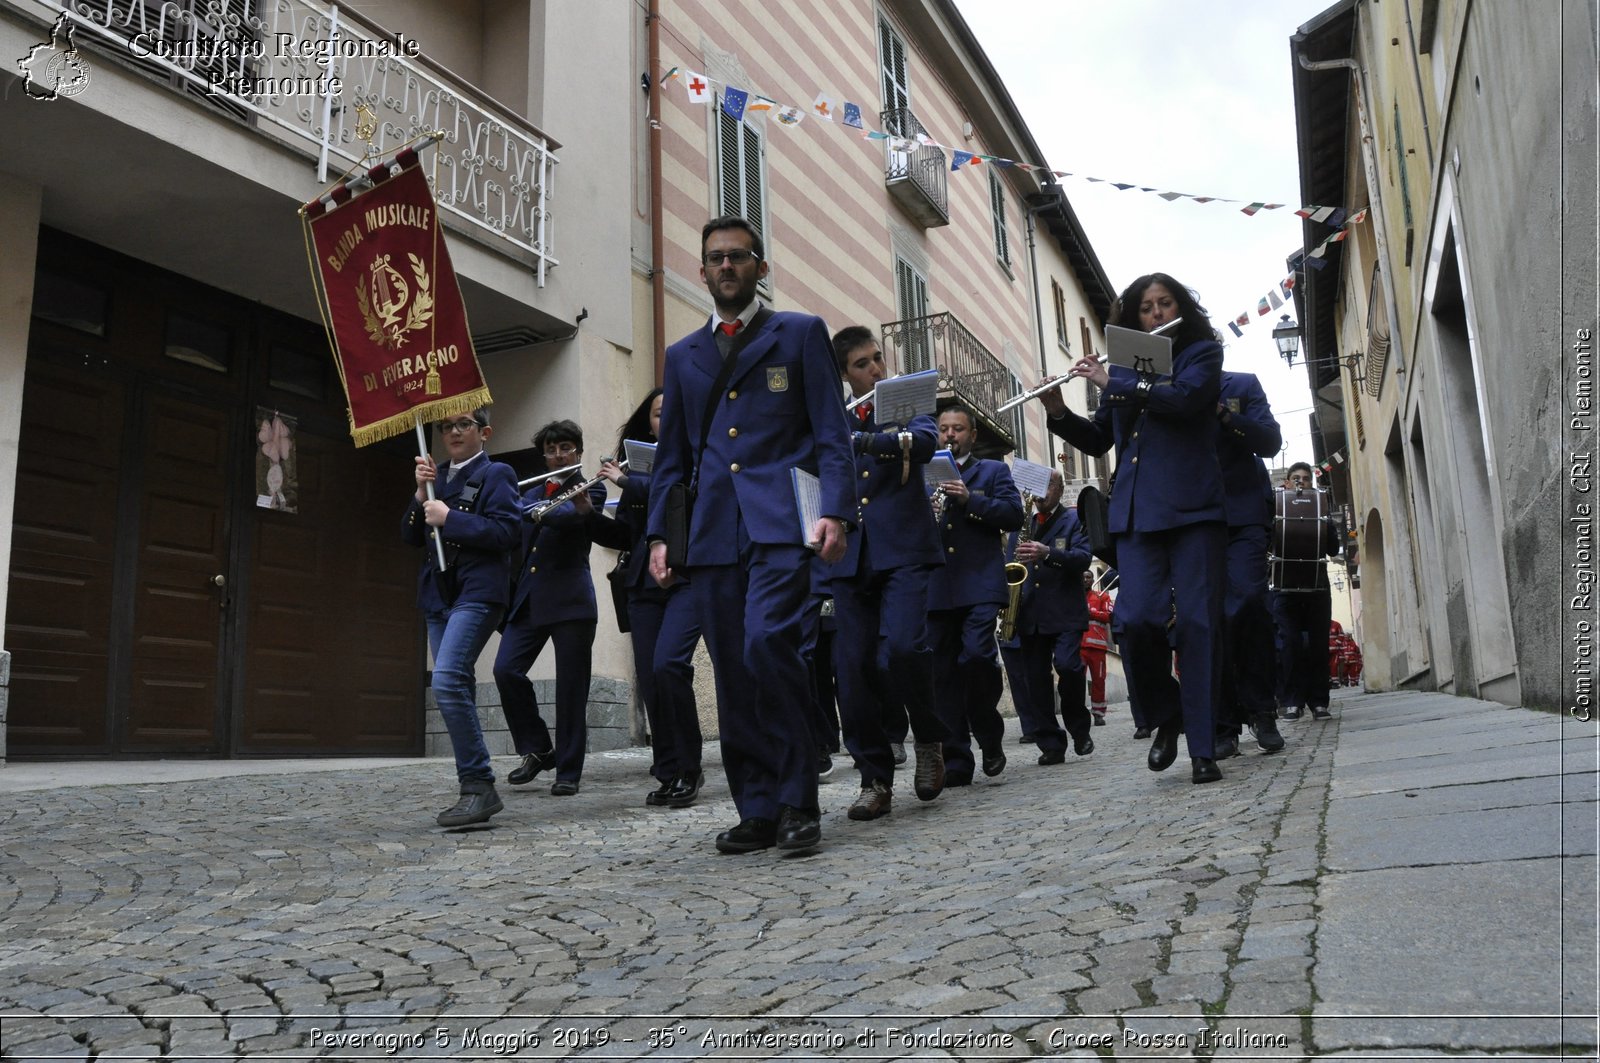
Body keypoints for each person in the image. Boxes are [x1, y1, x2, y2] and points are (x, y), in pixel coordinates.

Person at [647, 216, 855, 854]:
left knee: (769, 645)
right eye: (716, 258)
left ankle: (798, 798)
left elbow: (830, 432)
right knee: (734, 674)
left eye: (739, 256)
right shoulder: (683, 356)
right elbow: (673, 456)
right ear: (703, 270)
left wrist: (837, 511)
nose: (727, 267)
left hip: (781, 526)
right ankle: (757, 809)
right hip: (711, 534)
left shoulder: (799, 333)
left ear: (761, 269)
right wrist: (660, 537)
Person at [1040, 272, 1229, 784]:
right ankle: (1168, 714)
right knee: (1137, 621)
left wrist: (1114, 382)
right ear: (1133, 318)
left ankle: (1205, 748)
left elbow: (1186, 400)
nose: (1157, 314)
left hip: (1194, 511)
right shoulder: (1122, 369)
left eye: (1166, 304)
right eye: (1146, 308)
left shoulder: (1201, 355)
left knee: (1197, 624)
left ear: (1180, 307)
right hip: (1138, 515)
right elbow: (1101, 440)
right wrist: (1058, 412)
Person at [827, 325, 951, 821]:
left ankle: (927, 737)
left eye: (877, 358)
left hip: (903, 546)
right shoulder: (829, 415)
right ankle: (874, 778)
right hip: (850, 555)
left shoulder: (903, 402)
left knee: (901, 649)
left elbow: (922, 441)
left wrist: (860, 439)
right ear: (844, 374)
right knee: (852, 671)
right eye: (862, 364)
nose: (876, 368)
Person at [494, 419, 626, 797]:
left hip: (571, 602)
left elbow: (566, 519)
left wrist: (536, 509)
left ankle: (568, 771)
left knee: (571, 689)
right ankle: (537, 748)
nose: (557, 456)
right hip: (530, 600)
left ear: (579, 452)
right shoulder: (532, 491)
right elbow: (512, 523)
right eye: (551, 450)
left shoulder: (590, 490)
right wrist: (524, 506)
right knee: (506, 670)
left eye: (565, 448)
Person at [401, 408, 520, 827]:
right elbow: (409, 535)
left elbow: (508, 532)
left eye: (463, 424)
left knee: (448, 679)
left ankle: (478, 786)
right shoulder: (435, 477)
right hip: (439, 594)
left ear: (484, 432)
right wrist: (420, 495)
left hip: (478, 590)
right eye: (445, 426)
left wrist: (451, 518)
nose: (452, 432)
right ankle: (476, 788)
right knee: (458, 685)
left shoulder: (497, 473)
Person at [600, 390, 705, 808]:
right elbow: (624, 534)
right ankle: (668, 770)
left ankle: (690, 766)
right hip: (644, 583)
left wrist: (627, 481)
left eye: (671, 413)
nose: (666, 420)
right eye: (659, 414)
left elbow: (682, 494)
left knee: (669, 666)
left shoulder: (696, 454)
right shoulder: (639, 465)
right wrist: (584, 517)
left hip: (687, 575)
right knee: (650, 677)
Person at [926, 404, 1025, 786]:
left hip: (980, 582)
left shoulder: (993, 471)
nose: (950, 435)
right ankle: (956, 760)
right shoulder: (923, 473)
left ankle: (988, 731)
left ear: (972, 435)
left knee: (978, 657)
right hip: (938, 586)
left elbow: (1014, 515)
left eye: (958, 429)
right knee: (943, 676)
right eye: (944, 429)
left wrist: (971, 500)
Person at [1213, 371, 1287, 758]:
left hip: (1243, 513)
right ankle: (1223, 722)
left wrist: (1225, 415)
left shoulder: (1241, 385)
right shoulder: (1160, 388)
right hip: (1191, 518)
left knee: (1250, 604)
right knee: (1210, 619)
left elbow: (1271, 441)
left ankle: (1262, 710)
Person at [999, 470, 1095, 767]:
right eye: (1037, 487)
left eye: (1048, 486)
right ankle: (1050, 742)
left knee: (1068, 665)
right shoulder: (1021, 521)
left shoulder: (1074, 520)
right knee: (1036, 681)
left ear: (1059, 488)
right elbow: (1008, 563)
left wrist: (1048, 553)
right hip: (1029, 612)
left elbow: (1083, 558)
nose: (1041, 493)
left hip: (1064, 610)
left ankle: (1079, 727)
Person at [1273, 462, 1339, 721]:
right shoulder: (1277, 508)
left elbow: (1333, 549)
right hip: (1285, 588)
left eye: (1306, 478)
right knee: (1289, 645)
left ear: (1311, 483)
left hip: (1316, 587)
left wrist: (1325, 521)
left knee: (1317, 646)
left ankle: (1319, 702)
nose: (1301, 482)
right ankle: (1292, 701)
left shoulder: (1320, 508)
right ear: (1287, 482)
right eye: (1296, 478)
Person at [1081, 570, 1113, 725]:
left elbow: (1109, 616)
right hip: (1079, 646)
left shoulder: (1102, 596)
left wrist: (1091, 612)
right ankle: (1078, 712)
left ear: (1093, 580)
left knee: (1099, 681)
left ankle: (1098, 713)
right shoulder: (1072, 597)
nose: (1086, 580)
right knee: (1077, 681)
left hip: (1097, 647)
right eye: (1083, 577)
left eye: (1088, 577)